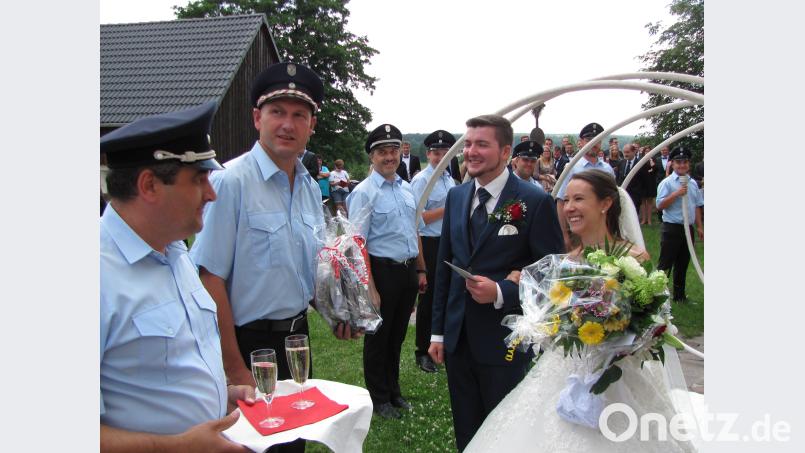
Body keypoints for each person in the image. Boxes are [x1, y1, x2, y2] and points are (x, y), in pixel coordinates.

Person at [465, 170, 695, 453]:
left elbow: (652, 317)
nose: (569, 207)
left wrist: (621, 334)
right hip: (566, 370)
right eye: (567, 200)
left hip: (616, 374)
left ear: (605, 204)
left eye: (579, 199)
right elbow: (553, 315)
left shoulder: (633, 258)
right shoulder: (567, 262)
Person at [189, 63, 353, 453]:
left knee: (293, 442)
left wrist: (335, 312)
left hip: (297, 342)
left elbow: (306, 268)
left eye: (299, 115)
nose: (287, 124)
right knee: (251, 446)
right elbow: (209, 278)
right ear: (256, 118)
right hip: (249, 346)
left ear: (311, 125)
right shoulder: (231, 183)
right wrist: (234, 368)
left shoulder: (312, 189)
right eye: (277, 112)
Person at [100, 101, 256, 452]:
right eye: (199, 179)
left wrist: (222, 394)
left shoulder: (175, 252)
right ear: (149, 185)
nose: (212, 193)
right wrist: (176, 446)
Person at [429, 114, 564, 451]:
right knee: (467, 430)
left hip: (505, 340)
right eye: (469, 144)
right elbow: (445, 269)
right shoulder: (457, 197)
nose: (471, 151)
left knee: (504, 432)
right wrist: (437, 333)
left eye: (481, 144)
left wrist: (502, 291)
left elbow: (551, 275)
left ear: (505, 152)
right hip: (458, 339)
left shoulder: (534, 203)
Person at [347, 123, 428, 419]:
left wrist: (420, 270)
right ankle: (378, 398)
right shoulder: (364, 193)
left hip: (406, 272)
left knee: (397, 338)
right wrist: (370, 287)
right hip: (381, 273)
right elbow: (357, 244)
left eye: (393, 150)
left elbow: (413, 230)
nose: (389, 156)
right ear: (372, 156)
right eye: (382, 151)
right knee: (378, 339)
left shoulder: (406, 189)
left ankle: (394, 391)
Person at [411, 129, 457, 374]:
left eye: (445, 153)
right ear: (428, 154)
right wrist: (449, 207)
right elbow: (417, 220)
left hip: (447, 241)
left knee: (447, 296)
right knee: (428, 298)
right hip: (428, 243)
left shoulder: (449, 179)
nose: (440, 157)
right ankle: (422, 351)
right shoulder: (422, 181)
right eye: (436, 152)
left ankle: (441, 344)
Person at [555, 122, 616, 250]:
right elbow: (561, 201)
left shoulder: (608, 169)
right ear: (581, 142)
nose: (593, 143)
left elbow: (614, 201)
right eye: (589, 140)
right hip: (578, 230)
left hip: (604, 230)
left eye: (597, 140)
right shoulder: (571, 168)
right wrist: (564, 234)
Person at [656, 145, 704, 303]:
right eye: (678, 162)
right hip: (672, 228)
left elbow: (697, 205)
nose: (682, 165)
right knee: (665, 263)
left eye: (685, 162)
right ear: (672, 164)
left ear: (689, 164)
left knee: (683, 263)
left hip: (687, 229)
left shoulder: (693, 183)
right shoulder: (667, 183)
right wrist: (676, 194)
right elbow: (660, 205)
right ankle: (656, 295)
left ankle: (679, 296)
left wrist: (699, 227)